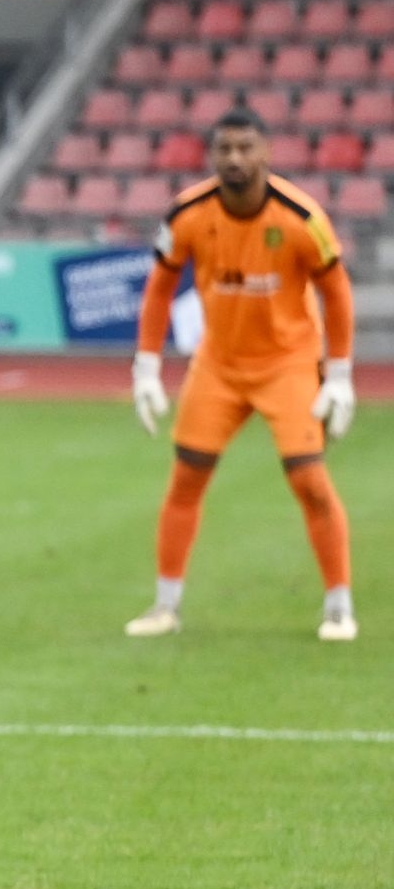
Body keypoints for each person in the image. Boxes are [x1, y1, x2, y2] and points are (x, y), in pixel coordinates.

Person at [127, 106, 358, 640]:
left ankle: (339, 608)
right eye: (224, 148)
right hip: (219, 365)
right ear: (212, 155)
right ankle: (165, 607)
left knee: (309, 480)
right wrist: (146, 368)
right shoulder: (187, 213)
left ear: (266, 152)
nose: (235, 158)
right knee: (186, 477)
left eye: (245, 148)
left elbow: (337, 291)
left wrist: (340, 374)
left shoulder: (301, 218)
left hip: (288, 363)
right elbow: (160, 288)